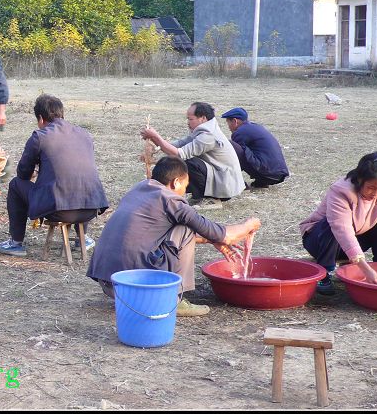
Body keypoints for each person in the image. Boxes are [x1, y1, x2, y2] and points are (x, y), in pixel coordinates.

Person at [87, 156, 261, 316]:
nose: (184, 192)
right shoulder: (170, 200)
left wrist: (212, 239)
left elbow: (169, 235)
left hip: (110, 283)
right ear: (175, 182)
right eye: (185, 187)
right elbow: (226, 236)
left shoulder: (139, 189)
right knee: (185, 229)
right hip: (137, 285)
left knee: (183, 228)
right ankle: (174, 301)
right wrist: (249, 225)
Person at [0, 94, 109, 257]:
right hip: (91, 209)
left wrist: (36, 172)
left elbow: (23, 174)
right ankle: (83, 236)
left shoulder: (40, 137)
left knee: (15, 184)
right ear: (62, 114)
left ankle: (16, 242)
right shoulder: (85, 134)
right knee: (80, 182)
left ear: (40, 118)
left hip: (60, 210)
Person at [300, 152, 377, 295]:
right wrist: (364, 268)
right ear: (360, 180)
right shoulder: (341, 191)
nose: (376, 193)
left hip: (354, 240)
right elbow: (342, 230)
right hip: (319, 240)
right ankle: (324, 273)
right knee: (332, 224)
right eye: (371, 187)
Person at [140, 102, 244, 208]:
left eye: (190, 119)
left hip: (224, 186)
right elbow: (179, 144)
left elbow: (179, 154)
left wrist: (156, 137)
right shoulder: (204, 130)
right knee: (186, 161)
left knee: (186, 162)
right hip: (220, 178)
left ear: (203, 118)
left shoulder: (209, 135)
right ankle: (199, 196)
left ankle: (212, 199)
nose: (188, 122)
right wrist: (154, 141)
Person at [221, 107, 289, 189]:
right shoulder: (255, 127)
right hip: (278, 174)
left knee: (231, 146)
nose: (228, 127)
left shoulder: (239, 132)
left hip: (267, 173)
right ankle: (261, 182)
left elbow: (235, 158)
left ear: (235, 121)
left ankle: (238, 183)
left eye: (228, 122)